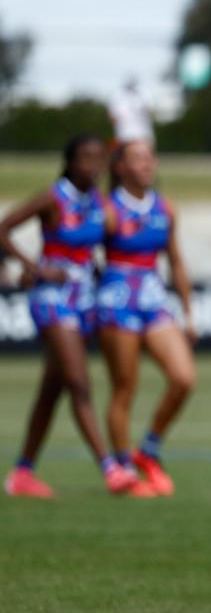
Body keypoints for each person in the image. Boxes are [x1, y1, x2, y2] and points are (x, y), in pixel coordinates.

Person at [1, 135, 141, 497]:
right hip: (52, 299)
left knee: (53, 389)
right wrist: (34, 266)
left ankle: (22, 474)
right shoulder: (53, 196)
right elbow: (4, 227)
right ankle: (110, 469)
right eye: (85, 159)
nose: (92, 166)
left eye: (98, 159)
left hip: (84, 300)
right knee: (79, 382)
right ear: (70, 161)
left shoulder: (98, 200)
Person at [97, 140, 197, 497]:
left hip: (153, 299)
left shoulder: (164, 208)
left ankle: (148, 450)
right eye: (138, 158)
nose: (146, 164)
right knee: (125, 388)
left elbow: (176, 261)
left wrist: (187, 312)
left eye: (150, 157)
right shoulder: (107, 209)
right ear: (120, 167)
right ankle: (124, 471)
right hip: (117, 301)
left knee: (183, 378)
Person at [109, 79, 155, 146]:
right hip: (125, 135)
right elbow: (113, 118)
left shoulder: (142, 98)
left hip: (142, 134)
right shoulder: (118, 99)